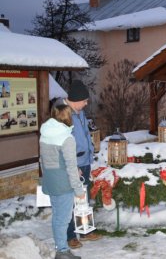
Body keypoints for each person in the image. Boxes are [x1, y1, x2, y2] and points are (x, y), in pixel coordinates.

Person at [40, 103, 84, 259]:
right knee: (63, 219)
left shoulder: (45, 133)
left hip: (51, 181)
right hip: (63, 185)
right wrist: (79, 190)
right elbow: (71, 167)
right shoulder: (66, 138)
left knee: (57, 217)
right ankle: (62, 252)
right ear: (68, 117)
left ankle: (60, 247)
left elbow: (43, 161)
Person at [64, 80, 102, 248]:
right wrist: (73, 166)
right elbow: (64, 143)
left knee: (83, 200)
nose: (86, 103)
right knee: (71, 201)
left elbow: (86, 134)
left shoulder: (80, 113)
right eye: (84, 100)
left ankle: (85, 230)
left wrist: (91, 149)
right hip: (74, 165)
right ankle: (70, 235)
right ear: (76, 98)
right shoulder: (64, 115)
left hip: (85, 162)